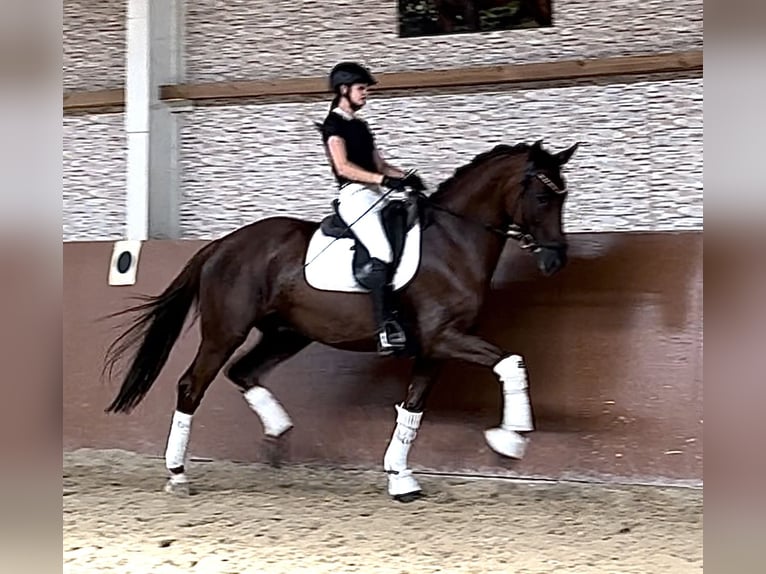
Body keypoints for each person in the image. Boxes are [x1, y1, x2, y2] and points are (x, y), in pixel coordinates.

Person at [319, 61, 425, 356]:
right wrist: (382, 180)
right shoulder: (334, 124)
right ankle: (385, 328)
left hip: (375, 194)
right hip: (354, 196)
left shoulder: (360, 126)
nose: (366, 94)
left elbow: (380, 165)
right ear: (344, 90)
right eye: (361, 88)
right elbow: (343, 166)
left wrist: (406, 177)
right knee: (382, 252)